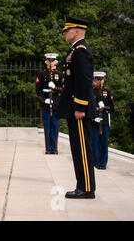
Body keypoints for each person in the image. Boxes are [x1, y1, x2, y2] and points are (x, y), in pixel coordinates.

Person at [57, 16, 97, 199]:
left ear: (77, 31)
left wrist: (80, 107)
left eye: (68, 30)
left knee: (82, 149)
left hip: (79, 109)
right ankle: (82, 185)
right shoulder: (75, 50)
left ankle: (87, 188)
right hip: (74, 107)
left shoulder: (81, 51)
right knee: (77, 148)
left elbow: (84, 80)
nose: (65, 33)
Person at [36, 53, 63, 154]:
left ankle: (54, 148)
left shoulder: (60, 75)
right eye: (49, 61)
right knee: (47, 127)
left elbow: (63, 89)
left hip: (56, 104)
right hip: (45, 104)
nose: (51, 63)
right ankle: (48, 148)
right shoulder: (42, 74)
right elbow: (38, 90)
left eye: (52, 61)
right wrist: (44, 99)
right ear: (46, 62)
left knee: (55, 127)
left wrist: (55, 88)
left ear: (55, 62)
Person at [91, 72, 114, 170]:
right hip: (94, 121)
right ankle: (96, 162)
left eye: (101, 79)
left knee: (104, 143)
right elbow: (89, 107)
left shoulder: (107, 92)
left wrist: (104, 107)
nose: (99, 82)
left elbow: (112, 107)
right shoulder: (91, 92)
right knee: (95, 143)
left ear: (103, 80)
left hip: (104, 121)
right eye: (97, 79)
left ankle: (103, 163)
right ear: (94, 80)